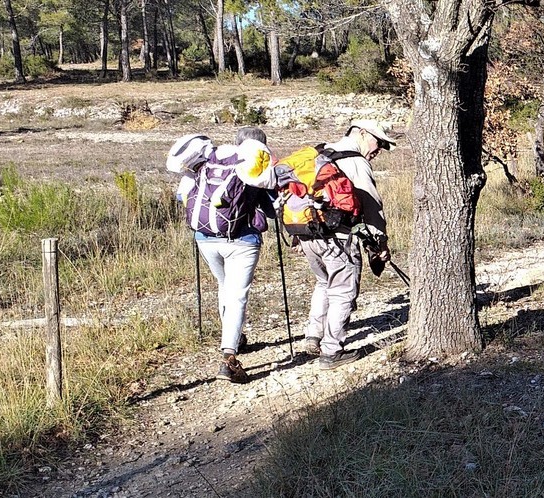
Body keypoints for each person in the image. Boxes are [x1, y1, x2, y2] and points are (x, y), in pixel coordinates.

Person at [166, 129, 276, 384]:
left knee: (224, 287)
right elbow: (271, 210)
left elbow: (181, 196)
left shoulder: (209, 160)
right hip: (243, 240)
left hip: (205, 238)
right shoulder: (251, 165)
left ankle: (234, 337)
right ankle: (229, 357)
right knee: (237, 295)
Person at [298, 119, 394, 369]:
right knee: (342, 291)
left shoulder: (320, 152)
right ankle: (331, 352)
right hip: (337, 238)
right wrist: (380, 243)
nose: (379, 149)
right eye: (378, 142)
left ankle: (313, 336)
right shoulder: (356, 161)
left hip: (308, 233)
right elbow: (372, 206)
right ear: (361, 134)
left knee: (323, 283)